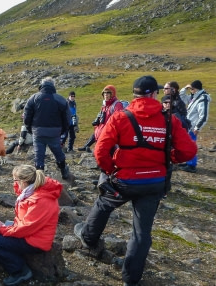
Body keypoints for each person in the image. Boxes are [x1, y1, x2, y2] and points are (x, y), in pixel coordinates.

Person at [74, 75, 197, 286]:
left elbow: (100, 150)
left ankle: (88, 238)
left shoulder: (121, 117)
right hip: (154, 182)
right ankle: (131, 279)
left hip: (125, 180)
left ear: (135, 94)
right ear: (153, 94)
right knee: (142, 232)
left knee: (104, 203)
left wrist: (111, 169)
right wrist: (170, 158)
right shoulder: (169, 119)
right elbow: (188, 150)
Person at [23, 77, 70, 179]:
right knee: (58, 152)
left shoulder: (34, 98)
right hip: (54, 132)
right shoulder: (60, 99)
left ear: (42, 85)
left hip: (38, 131)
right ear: (53, 85)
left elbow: (27, 115)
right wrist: (63, 130)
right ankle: (63, 171)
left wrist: (29, 128)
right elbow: (67, 117)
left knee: (39, 155)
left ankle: (39, 180)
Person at [78, 85, 124, 152]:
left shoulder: (117, 105)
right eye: (104, 93)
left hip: (109, 135)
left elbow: (119, 120)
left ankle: (89, 149)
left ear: (113, 94)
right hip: (101, 132)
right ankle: (87, 147)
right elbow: (101, 116)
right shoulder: (105, 105)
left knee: (106, 154)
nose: (106, 95)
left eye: (108, 93)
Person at [178, 80, 211, 173]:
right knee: (188, 144)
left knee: (191, 145)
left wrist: (197, 128)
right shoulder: (195, 97)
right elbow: (182, 97)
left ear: (195, 89)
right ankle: (189, 162)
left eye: (191, 89)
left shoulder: (202, 98)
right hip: (189, 126)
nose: (190, 91)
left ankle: (192, 165)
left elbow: (203, 115)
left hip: (193, 127)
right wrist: (184, 88)